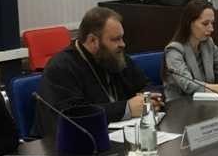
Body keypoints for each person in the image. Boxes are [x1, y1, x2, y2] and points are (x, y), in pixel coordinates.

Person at [35, 7, 154, 137]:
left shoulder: (115, 58)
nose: (123, 44)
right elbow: (73, 116)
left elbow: (146, 85)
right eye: (116, 39)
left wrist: (150, 98)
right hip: (70, 142)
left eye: (122, 38)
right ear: (92, 40)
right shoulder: (61, 67)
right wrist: (127, 108)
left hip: (118, 135)